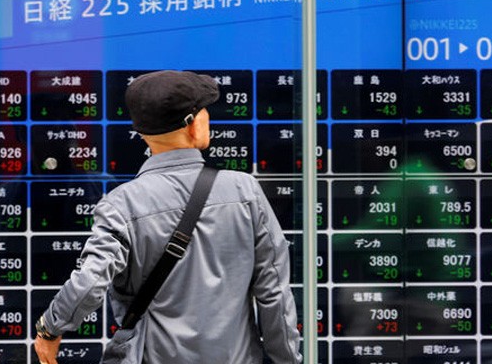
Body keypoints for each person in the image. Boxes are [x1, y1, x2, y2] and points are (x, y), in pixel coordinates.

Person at [34, 70, 302, 364]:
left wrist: (50, 328)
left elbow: (90, 281)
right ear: (192, 124)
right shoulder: (245, 191)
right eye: (204, 111)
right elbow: (274, 293)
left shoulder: (121, 204)